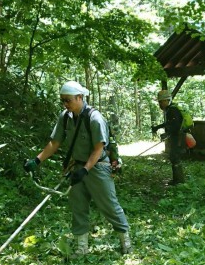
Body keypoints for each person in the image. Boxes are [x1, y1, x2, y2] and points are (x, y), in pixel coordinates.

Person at [23, 80, 131, 256]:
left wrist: (86, 170)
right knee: (78, 207)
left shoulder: (95, 118)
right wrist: (37, 160)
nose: (65, 104)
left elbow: (99, 148)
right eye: (62, 100)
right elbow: (55, 142)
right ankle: (82, 247)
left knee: (109, 205)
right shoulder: (65, 117)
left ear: (80, 97)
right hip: (76, 167)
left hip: (97, 167)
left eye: (68, 100)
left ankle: (125, 241)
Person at [151, 89, 186, 185]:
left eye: (161, 102)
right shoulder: (170, 110)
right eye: (159, 102)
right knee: (173, 156)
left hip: (178, 137)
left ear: (167, 100)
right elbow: (169, 123)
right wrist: (158, 127)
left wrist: (167, 133)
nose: (160, 104)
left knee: (175, 157)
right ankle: (177, 180)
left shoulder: (172, 110)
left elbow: (175, 125)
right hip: (176, 136)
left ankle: (179, 181)